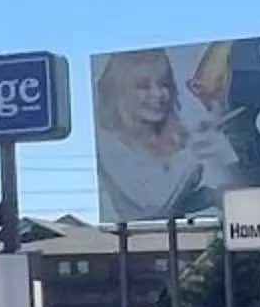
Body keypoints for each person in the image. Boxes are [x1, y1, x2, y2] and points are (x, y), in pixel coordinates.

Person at [96, 45, 239, 224]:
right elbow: (155, 207)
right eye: (143, 86)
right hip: (139, 240)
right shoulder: (110, 148)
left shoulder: (181, 137)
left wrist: (213, 193)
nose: (157, 94)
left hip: (186, 237)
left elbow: (235, 183)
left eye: (164, 84)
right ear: (118, 93)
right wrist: (195, 152)